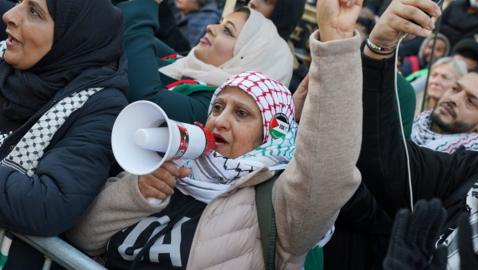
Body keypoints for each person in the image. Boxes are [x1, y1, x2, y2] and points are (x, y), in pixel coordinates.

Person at [67, 0, 364, 268]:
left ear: (268, 135)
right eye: (217, 107)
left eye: (242, 114)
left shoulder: (276, 207)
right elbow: (79, 238)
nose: (219, 121)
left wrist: (335, 47)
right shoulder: (168, 166)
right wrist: (137, 194)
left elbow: (326, 173)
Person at [0, 0, 128, 268]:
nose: (9, 15)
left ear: (73, 35)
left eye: (34, 12)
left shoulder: (102, 107)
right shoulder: (5, 56)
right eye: (20, 3)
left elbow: (49, 204)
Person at [357, 0, 478, 268]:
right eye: (455, 89)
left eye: (472, 102)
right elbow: (391, 164)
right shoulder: (468, 169)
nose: (454, 99)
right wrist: (379, 49)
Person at [119, 0, 293, 125]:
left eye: (227, 31)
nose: (211, 27)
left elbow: (147, 99)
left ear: (248, 58)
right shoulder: (184, 63)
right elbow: (123, 28)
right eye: (220, 23)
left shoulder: (217, 107)